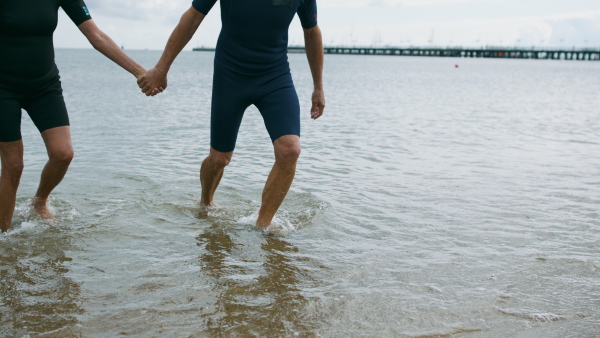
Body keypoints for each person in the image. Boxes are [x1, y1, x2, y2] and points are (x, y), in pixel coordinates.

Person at [138, 0, 325, 228]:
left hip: (275, 76)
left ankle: (262, 226)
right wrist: (161, 68)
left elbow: (312, 32)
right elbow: (193, 18)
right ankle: (206, 203)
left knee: (290, 150)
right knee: (219, 158)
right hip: (231, 75)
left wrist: (318, 86)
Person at [0, 0, 150, 232]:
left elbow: (96, 36)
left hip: (44, 86)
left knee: (63, 154)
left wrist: (140, 72)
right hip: (3, 88)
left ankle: (39, 202)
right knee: (13, 165)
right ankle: (4, 239)